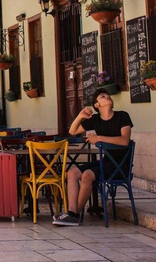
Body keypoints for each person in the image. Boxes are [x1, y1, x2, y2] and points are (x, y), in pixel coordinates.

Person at [53, 90, 133, 226]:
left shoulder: (122, 116)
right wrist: (80, 116)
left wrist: (99, 138)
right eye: (103, 96)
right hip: (106, 162)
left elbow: (125, 141)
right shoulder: (95, 120)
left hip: (120, 166)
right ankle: (72, 212)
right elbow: (72, 131)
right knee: (72, 172)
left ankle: (73, 215)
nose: (107, 96)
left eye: (108, 95)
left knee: (87, 175)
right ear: (97, 105)